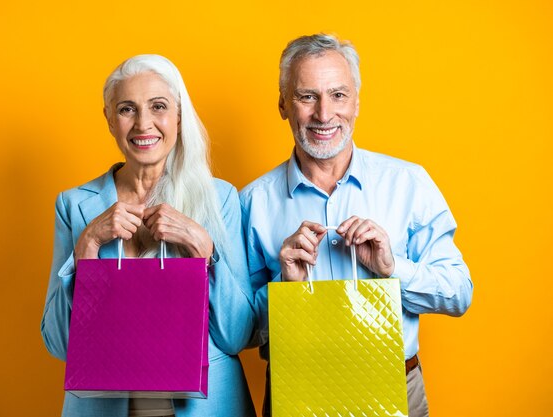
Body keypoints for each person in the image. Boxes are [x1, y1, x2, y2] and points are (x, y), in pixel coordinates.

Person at [240, 34, 473, 417]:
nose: (324, 114)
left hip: (396, 387)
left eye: (338, 95)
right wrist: (286, 288)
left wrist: (391, 268)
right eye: (307, 96)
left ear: (357, 102)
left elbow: (459, 293)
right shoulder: (251, 203)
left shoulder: (409, 184)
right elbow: (241, 331)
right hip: (296, 390)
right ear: (283, 104)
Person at [41, 54, 257, 417]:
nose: (143, 124)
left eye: (158, 107)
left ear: (178, 116)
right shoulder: (75, 206)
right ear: (110, 120)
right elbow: (59, 343)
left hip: (208, 407)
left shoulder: (219, 198)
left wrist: (205, 250)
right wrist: (88, 247)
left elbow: (238, 335)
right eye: (127, 109)